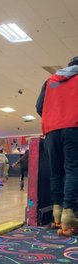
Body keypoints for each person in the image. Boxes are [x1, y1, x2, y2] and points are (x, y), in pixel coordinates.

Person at [36, 56, 78, 235]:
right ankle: (69, 216)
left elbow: (39, 107)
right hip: (74, 128)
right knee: (73, 170)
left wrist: (53, 117)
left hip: (51, 132)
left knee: (56, 172)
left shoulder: (50, 81)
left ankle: (57, 215)